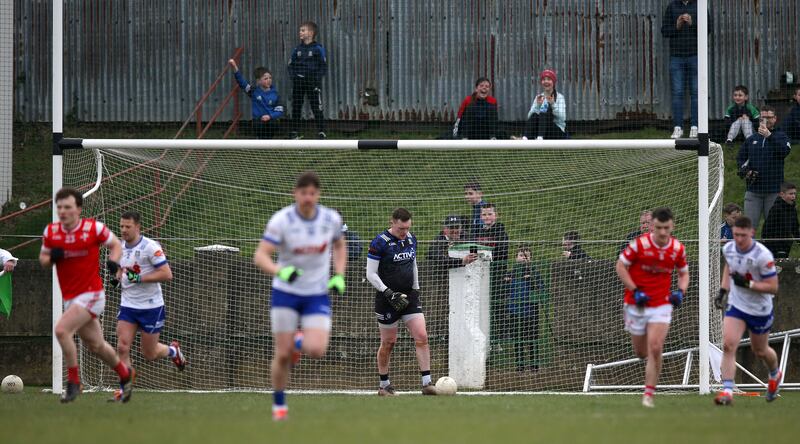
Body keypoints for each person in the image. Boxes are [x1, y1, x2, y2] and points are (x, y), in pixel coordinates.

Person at [253, 171, 347, 420]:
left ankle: (298, 341)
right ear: (295, 194)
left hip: (316, 294)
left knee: (317, 349)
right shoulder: (282, 220)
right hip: (286, 293)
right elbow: (260, 256)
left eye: (313, 193)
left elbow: (339, 245)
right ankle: (279, 405)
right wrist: (280, 271)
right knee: (282, 355)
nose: (308, 197)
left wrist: (338, 274)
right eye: (303, 193)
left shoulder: (330, 219)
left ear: (318, 195)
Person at [39, 187, 134, 403]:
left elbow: (116, 245)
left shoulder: (94, 228)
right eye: (60, 207)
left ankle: (74, 382)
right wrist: (53, 256)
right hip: (72, 299)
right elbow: (43, 260)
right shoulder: (51, 232)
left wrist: (113, 260)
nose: (63, 211)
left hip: (92, 294)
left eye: (68, 207)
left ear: (78, 209)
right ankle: (125, 374)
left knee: (62, 330)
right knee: (96, 346)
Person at [616, 207, 689, 408]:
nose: (663, 232)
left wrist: (680, 292)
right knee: (641, 352)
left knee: (656, 347)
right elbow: (620, 267)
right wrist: (635, 289)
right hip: (636, 303)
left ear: (672, 226)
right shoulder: (639, 245)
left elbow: (684, 274)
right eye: (658, 228)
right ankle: (648, 364)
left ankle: (648, 395)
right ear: (652, 227)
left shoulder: (677, 248)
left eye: (666, 228)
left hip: (660, 304)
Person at [111, 211, 185, 401]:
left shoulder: (151, 247)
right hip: (128, 305)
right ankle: (125, 388)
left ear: (137, 227)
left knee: (149, 353)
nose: (124, 230)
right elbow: (122, 270)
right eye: (121, 226)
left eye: (128, 227)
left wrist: (140, 278)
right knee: (122, 346)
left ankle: (173, 351)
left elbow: (167, 274)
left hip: (151, 307)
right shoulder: (119, 247)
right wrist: (117, 275)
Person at [366, 208, 437, 396]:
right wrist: (387, 292)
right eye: (400, 229)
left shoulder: (411, 239)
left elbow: (413, 263)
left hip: (409, 296)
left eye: (407, 228)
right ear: (392, 222)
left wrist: (416, 288)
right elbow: (370, 273)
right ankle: (384, 385)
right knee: (389, 342)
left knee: (422, 336)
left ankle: (427, 383)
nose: (404, 232)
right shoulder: (379, 242)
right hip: (386, 299)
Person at [713, 216, 782, 405]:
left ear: (751, 233)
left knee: (759, 350)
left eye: (743, 235)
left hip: (759, 309)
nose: (739, 239)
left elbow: (773, 287)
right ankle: (727, 391)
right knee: (728, 344)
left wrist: (749, 283)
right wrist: (722, 292)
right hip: (737, 305)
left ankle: (775, 374)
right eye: (736, 235)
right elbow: (729, 268)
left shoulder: (763, 255)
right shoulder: (729, 248)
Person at [661, 0, 711, 139]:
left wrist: (692, 23)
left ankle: (695, 127)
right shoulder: (672, 6)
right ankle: (678, 127)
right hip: (676, 56)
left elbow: (708, 29)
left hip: (695, 55)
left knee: (696, 93)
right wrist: (676, 25)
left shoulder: (699, 5)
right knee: (677, 93)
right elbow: (664, 31)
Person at [736, 106, 792, 229]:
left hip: (774, 191)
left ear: (775, 119)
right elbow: (740, 159)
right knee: (749, 228)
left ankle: (773, 249)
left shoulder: (782, 136)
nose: (765, 120)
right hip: (753, 190)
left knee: (773, 229)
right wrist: (746, 171)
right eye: (763, 118)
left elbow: (784, 152)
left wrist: (769, 136)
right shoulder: (751, 139)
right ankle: (748, 249)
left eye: (769, 117)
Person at [505, 245, 545, 372]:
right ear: (516, 257)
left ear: (531, 259)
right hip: (514, 311)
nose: (524, 258)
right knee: (518, 340)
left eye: (527, 256)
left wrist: (531, 280)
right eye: (521, 255)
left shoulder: (534, 272)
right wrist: (506, 282)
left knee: (532, 339)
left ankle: (534, 366)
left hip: (530, 311)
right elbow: (503, 291)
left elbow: (540, 288)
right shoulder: (510, 273)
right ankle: (520, 365)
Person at [475, 203, 510, 345]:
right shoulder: (477, 232)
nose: (487, 217)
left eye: (490, 214)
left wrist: (484, 253)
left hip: (497, 275)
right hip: (480, 274)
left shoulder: (501, 232)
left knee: (497, 305)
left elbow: (502, 251)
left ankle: (500, 336)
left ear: (496, 215)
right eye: (484, 214)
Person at [287, 21, 328, 139]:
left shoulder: (318, 48)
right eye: (300, 30)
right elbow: (290, 64)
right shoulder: (297, 49)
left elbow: (323, 66)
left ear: (310, 33)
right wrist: (294, 76)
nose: (300, 32)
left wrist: (316, 80)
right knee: (296, 106)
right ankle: (294, 131)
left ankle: (321, 132)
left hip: (312, 82)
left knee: (316, 106)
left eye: (303, 30)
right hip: (299, 82)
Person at [228, 59, 284, 139]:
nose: (269, 80)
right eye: (265, 78)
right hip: (258, 121)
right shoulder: (254, 91)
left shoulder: (275, 94)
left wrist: (270, 116)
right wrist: (234, 66)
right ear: (258, 81)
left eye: (270, 78)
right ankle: (260, 140)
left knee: (273, 124)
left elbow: (280, 111)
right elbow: (242, 82)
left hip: (271, 121)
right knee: (258, 126)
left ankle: (269, 141)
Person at [521, 69, 567, 140]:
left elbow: (562, 118)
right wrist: (538, 105)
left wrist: (553, 104)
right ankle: (525, 138)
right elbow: (530, 116)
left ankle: (540, 138)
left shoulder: (560, 97)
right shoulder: (539, 97)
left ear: (553, 82)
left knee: (544, 113)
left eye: (549, 79)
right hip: (540, 129)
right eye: (543, 79)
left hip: (555, 131)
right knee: (535, 114)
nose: (546, 81)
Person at [761, 182, 799, 258]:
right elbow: (767, 228)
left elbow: (795, 228)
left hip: (786, 244)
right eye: (790, 194)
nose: (793, 196)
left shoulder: (793, 209)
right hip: (775, 245)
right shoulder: (776, 209)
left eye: (794, 194)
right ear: (782, 194)